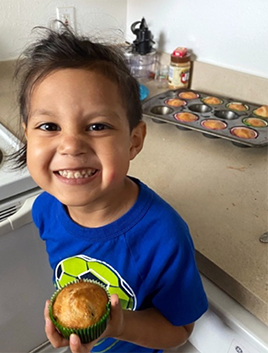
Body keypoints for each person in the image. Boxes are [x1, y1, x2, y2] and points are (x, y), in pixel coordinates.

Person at [14, 25, 208, 353]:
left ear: (134, 141)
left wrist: (117, 326)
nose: (71, 146)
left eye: (97, 126)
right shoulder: (45, 209)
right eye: (49, 126)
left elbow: (179, 330)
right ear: (27, 136)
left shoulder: (164, 235)